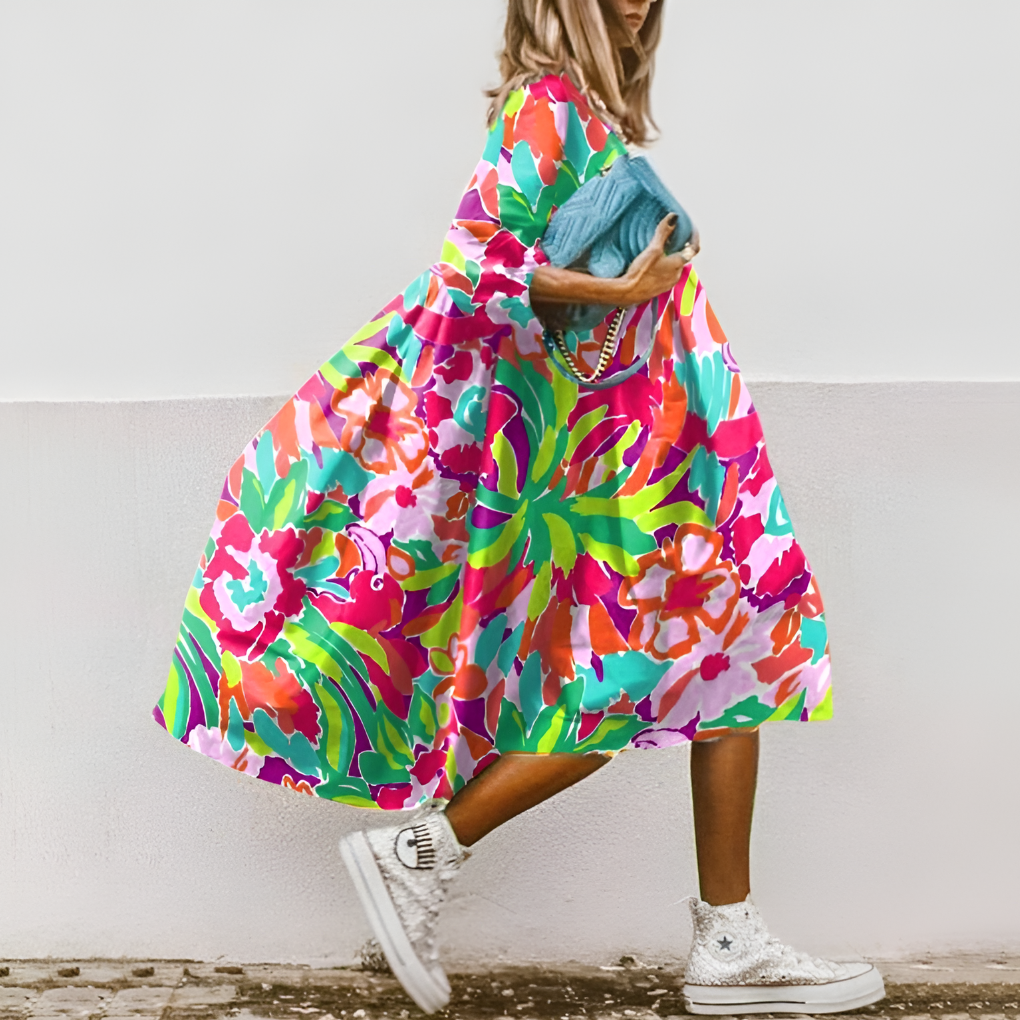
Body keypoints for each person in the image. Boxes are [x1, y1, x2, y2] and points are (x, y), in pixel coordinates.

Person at [154, 0, 884, 1013]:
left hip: (653, 450)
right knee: (670, 665)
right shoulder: (549, 104)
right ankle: (429, 851)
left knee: (737, 650)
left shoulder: (587, 113)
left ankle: (725, 936)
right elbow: (473, 267)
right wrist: (623, 295)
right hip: (613, 467)